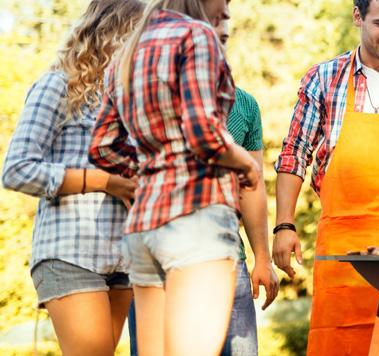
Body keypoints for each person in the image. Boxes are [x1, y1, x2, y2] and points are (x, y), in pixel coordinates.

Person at [271, 0, 379, 354]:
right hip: (344, 253)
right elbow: (294, 154)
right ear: (358, 16)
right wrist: (285, 225)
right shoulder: (324, 79)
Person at [88, 0, 261, 355]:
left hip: (143, 229)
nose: (225, 7)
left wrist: (154, 171)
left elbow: (101, 146)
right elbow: (204, 133)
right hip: (196, 220)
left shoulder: (127, 52)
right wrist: (245, 164)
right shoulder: (196, 36)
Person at [1, 1, 144, 354]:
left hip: (124, 254)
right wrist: (102, 182)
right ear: (116, 33)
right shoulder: (58, 86)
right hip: (70, 253)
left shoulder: (132, 99)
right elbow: (16, 169)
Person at [215, 15, 280, 356]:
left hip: (232, 254)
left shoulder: (245, 106)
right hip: (175, 254)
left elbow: (252, 186)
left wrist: (262, 259)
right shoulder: (165, 94)